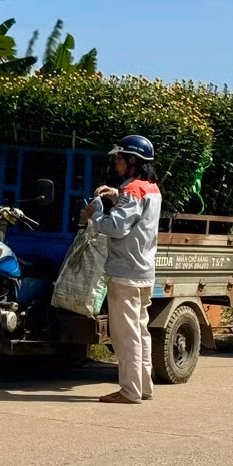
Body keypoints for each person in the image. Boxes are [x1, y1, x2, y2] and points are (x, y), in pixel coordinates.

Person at [81, 135, 162, 404]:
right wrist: (117, 195)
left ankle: (129, 391)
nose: (115, 162)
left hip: (125, 273)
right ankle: (143, 387)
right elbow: (137, 214)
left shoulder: (133, 191)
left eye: (119, 157)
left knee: (125, 335)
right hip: (143, 272)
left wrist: (95, 213)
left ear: (132, 161)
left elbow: (116, 228)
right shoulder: (151, 188)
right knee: (140, 332)